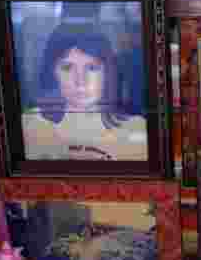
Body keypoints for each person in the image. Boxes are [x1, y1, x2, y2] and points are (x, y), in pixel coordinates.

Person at [21, 24, 149, 161]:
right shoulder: (31, 124)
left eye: (92, 68)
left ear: (108, 73)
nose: (81, 81)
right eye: (67, 68)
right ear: (52, 73)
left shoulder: (136, 128)